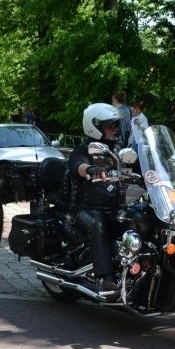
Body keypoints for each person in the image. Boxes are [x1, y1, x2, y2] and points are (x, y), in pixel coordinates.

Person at [68, 103, 125, 295]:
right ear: (95, 126)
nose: (115, 128)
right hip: (84, 209)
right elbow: (77, 166)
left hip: (113, 208)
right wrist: (90, 169)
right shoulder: (83, 151)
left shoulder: (116, 150)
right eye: (110, 125)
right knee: (97, 225)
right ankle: (106, 278)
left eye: (116, 124)